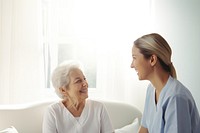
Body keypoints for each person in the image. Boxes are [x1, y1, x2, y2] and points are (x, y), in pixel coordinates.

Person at [130, 33, 200, 133]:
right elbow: (144, 129)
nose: (132, 65)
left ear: (152, 59)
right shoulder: (151, 89)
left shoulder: (176, 97)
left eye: (134, 57)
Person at [43, 60, 114, 133]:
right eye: (78, 81)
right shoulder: (53, 112)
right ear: (63, 90)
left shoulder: (98, 108)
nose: (85, 84)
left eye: (84, 79)